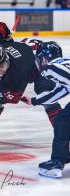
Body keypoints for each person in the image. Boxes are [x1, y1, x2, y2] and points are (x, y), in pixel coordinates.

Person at [0, 37, 62, 143]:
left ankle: (63, 132)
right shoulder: (0, 53)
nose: (0, 71)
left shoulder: (18, 71)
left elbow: (14, 98)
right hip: (27, 54)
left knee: (46, 96)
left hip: (42, 60)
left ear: (6, 59)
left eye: (1, 66)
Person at [21, 43, 70, 178]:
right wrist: (34, 100)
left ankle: (57, 162)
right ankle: (62, 155)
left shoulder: (49, 68)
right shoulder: (65, 63)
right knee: (64, 118)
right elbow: (59, 91)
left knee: (61, 121)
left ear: (43, 58)